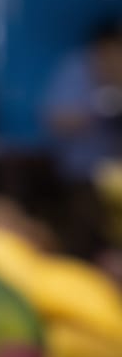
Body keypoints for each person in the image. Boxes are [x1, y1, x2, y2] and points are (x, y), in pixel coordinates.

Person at [42, 21, 122, 255]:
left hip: (115, 174)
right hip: (81, 174)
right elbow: (56, 119)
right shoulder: (76, 70)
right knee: (86, 236)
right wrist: (99, 107)